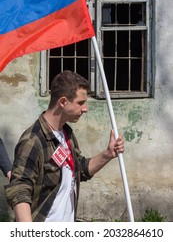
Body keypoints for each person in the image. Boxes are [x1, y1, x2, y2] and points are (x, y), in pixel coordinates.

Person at [5, 70, 124, 222]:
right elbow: (19, 189)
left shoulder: (66, 134)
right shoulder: (33, 140)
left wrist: (108, 154)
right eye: (81, 103)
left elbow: (79, 169)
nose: (85, 108)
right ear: (62, 102)